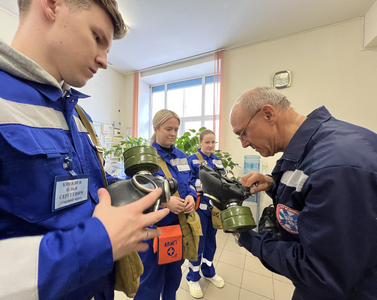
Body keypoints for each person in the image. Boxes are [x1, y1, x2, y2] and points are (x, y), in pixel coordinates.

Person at [0, 1, 169, 299]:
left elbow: (82, 191)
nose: (105, 61)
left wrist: (129, 192)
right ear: (52, 5)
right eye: (96, 37)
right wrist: (98, 243)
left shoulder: (78, 117)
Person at [229, 86, 377, 300]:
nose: (244, 143)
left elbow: (321, 272)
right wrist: (273, 184)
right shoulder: (318, 146)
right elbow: (310, 192)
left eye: (243, 133)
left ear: (268, 114)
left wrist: (250, 239)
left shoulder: (335, 168)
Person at [134, 109, 197, 300]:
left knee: (173, 277)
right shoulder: (145, 157)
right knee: (150, 281)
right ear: (156, 128)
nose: (173, 134)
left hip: (178, 229)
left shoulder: (181, 155)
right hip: (153, 229)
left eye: (176, 129)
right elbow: (134, 191)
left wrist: (192, 196)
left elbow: (191, 181)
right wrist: (164, 202)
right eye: (168, 129)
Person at [185, 129, 225, 298]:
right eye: (207, 142)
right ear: (200, 143)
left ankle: (208, 271)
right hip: (198, 209)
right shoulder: (191, 160)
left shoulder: (217, 160)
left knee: (210, 242)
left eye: (213, 142)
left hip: (213, 209)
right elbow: (186, 183)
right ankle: (192, 278)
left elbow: (224, 181)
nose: (210, 145)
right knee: (198, 243)